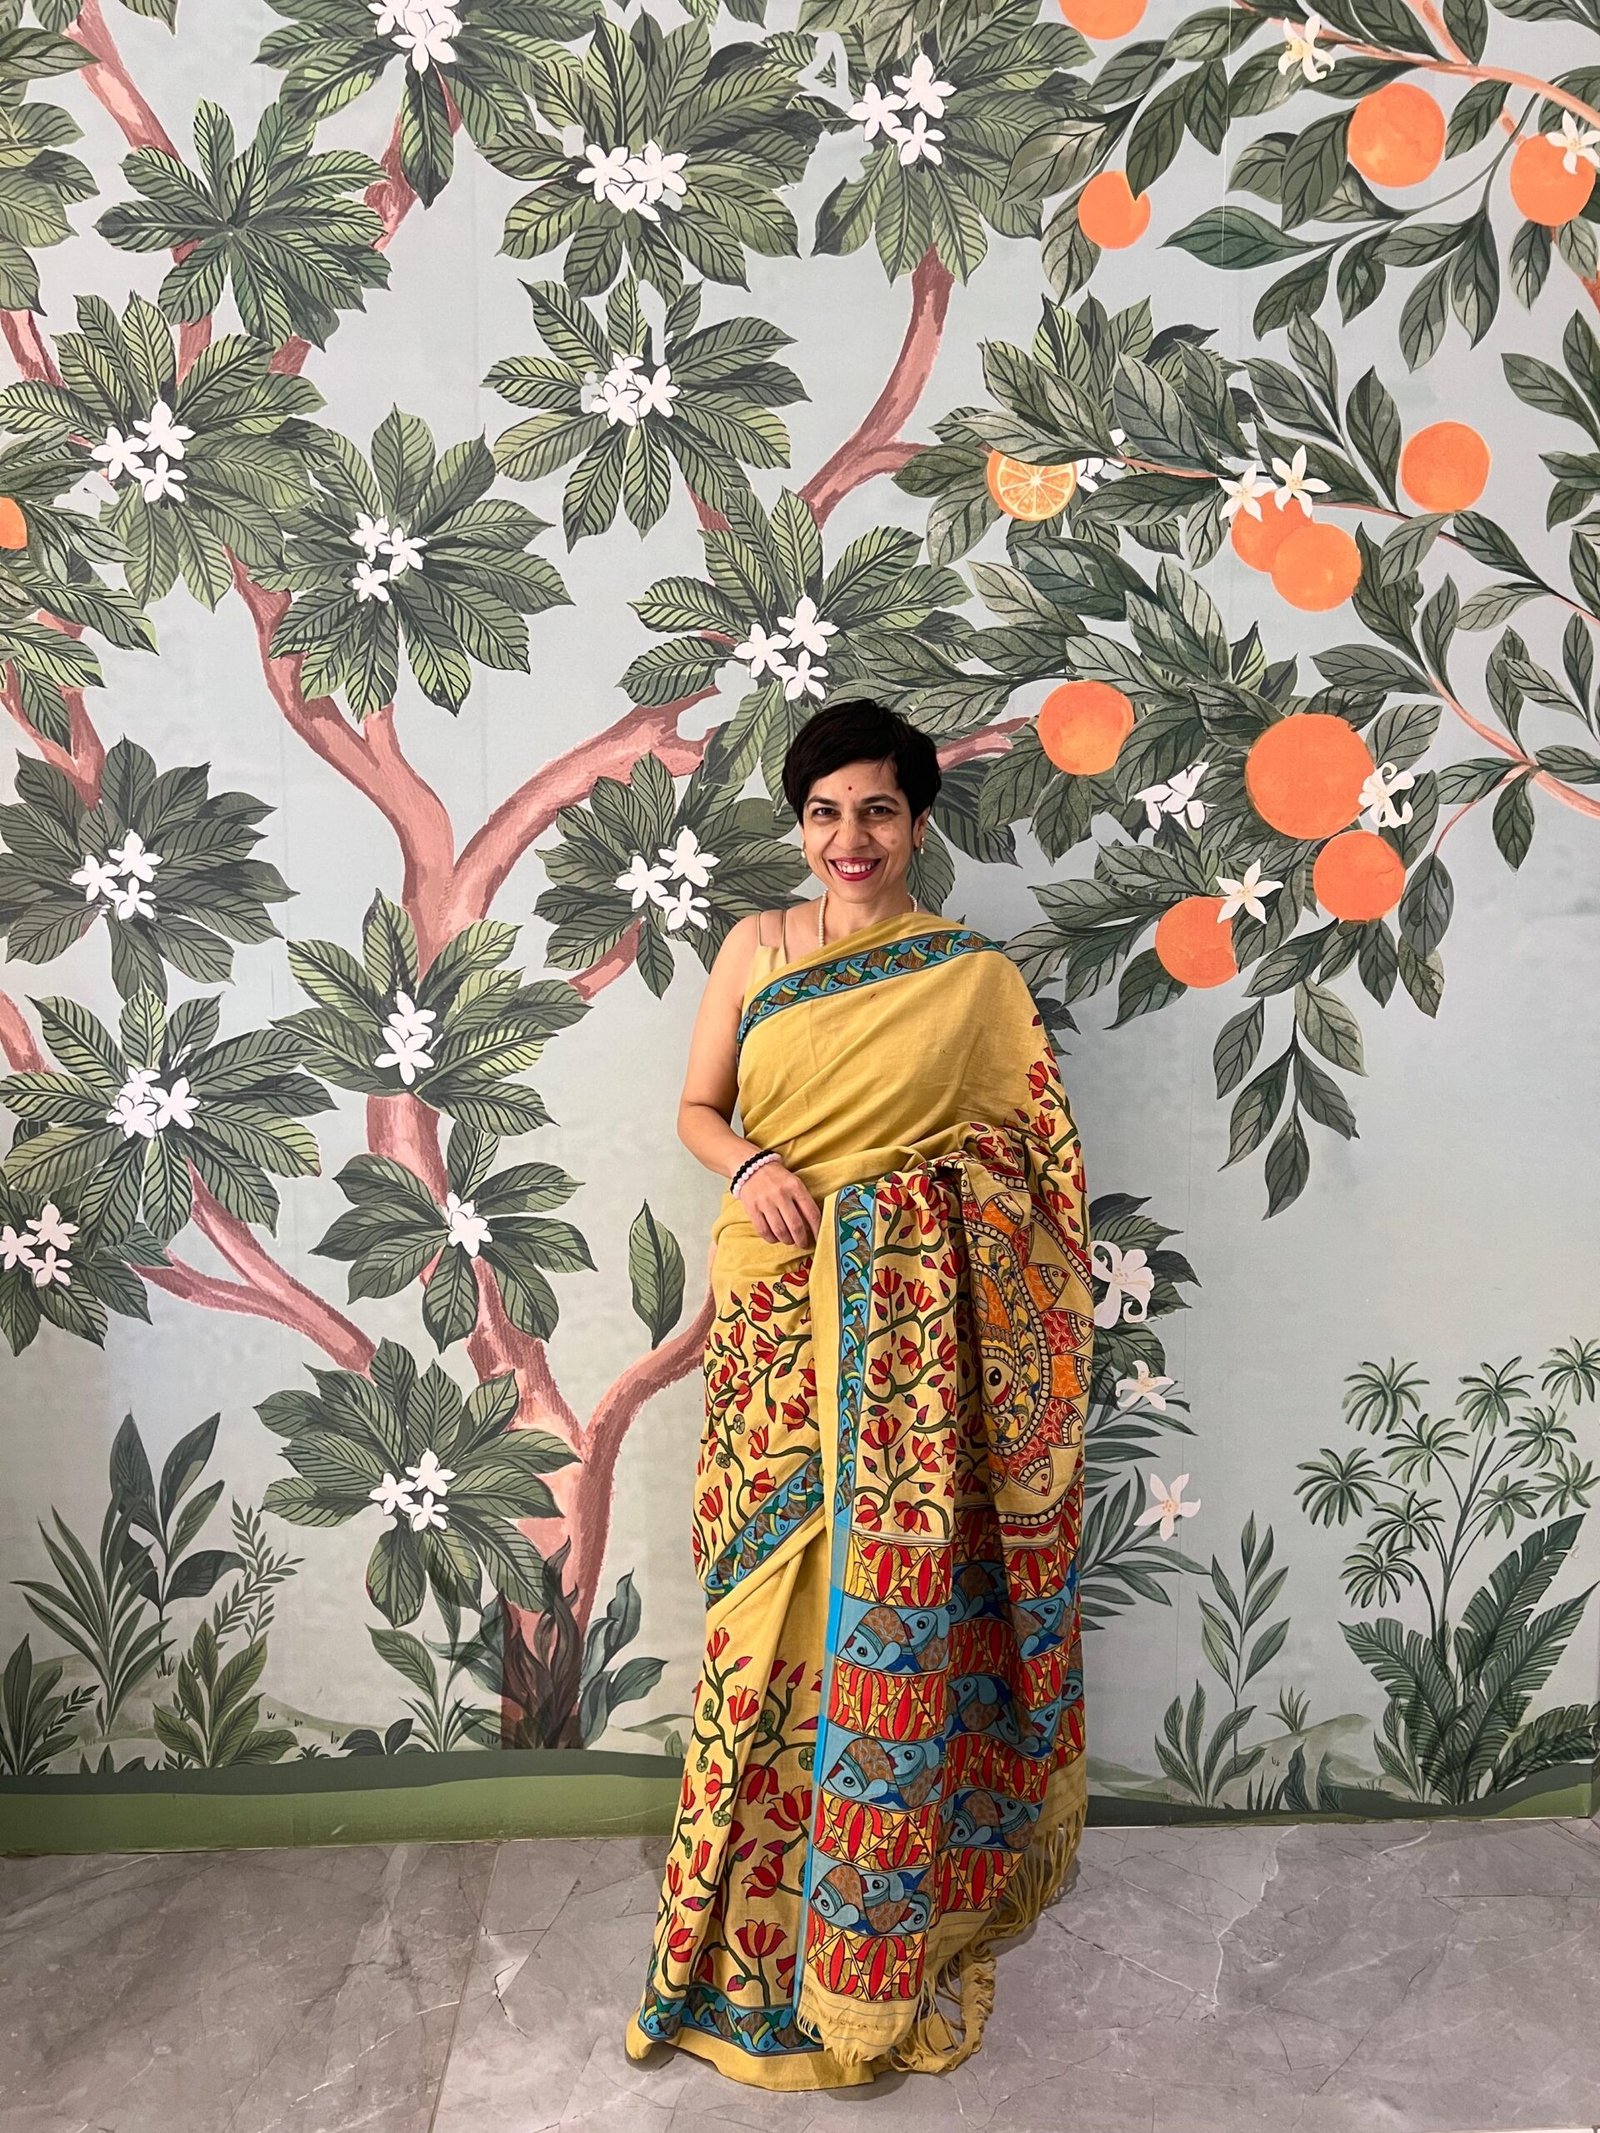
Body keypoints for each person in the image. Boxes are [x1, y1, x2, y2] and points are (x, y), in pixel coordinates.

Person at [623, 700, 1095, 2090]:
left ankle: (872, 1947)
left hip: (909, 1342)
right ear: (800, 823)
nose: (851, 837)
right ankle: (731, 1946)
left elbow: (1041, 1168)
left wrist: (909, 1215)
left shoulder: (972, 980)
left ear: (918, 821)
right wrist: (750, 1164)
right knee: (763, 1613)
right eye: (826, 812)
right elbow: (698, 1108)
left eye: (878, 810)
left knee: (881, 1619)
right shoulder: (755, 948)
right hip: (777, 1307)